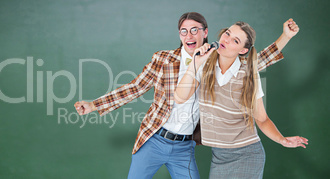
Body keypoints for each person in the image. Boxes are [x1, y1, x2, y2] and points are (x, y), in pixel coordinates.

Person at [74, 12, 297, 179]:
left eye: (195, 30)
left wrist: (285, 37)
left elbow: (255, 61)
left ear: (205, 33)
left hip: (185, 147)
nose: (189, 35)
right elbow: (135, 88)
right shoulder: (163, 59)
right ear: (179, 35)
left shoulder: (216, 60)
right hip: (154, 139)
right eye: (184, 31)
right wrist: (94, 105)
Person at [174, 21, 308, 178]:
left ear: (243, 50)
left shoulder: (248, 73)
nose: (226, 39)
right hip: (219, 156)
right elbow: (180, 97)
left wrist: (281, 140)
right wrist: (194, 64)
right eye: (228, 33)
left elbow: (262, 119)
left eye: (235, 40)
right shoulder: (204, 65)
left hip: (247, 154)